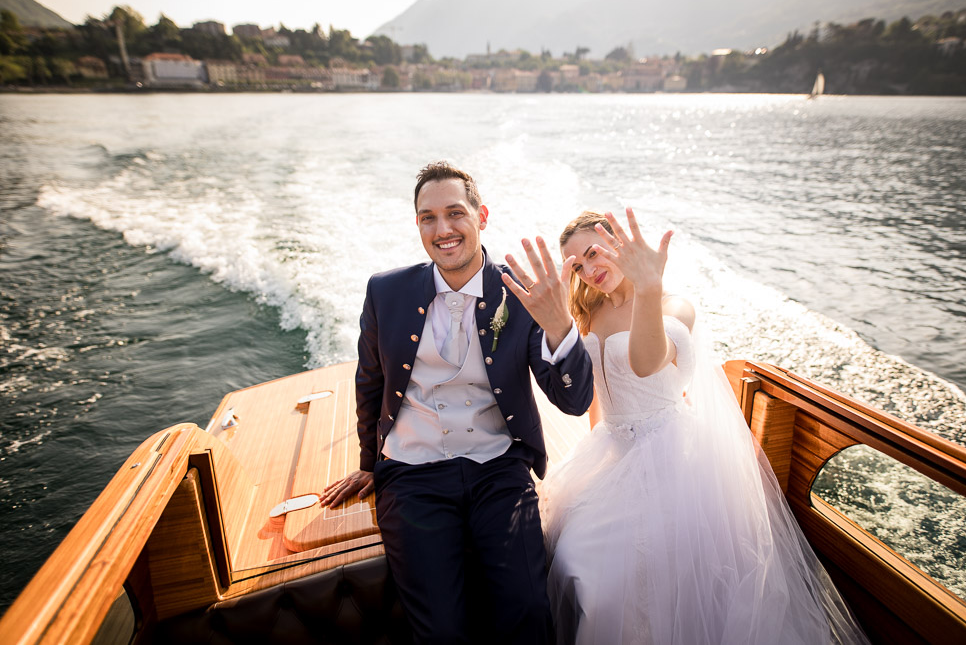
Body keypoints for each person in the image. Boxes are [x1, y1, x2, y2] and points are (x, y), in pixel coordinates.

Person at [537, 209, 870, 644]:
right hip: (612, 452)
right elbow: (596, 396)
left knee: (608, 584)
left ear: (620, 243)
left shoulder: (674, 305)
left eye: (594, 253)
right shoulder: (590, 311)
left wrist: (648, 288)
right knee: (568, 557)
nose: (589, 270)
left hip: (669, 460)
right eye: (578, 265)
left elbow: (645, 363)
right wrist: (592, 462)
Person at [319, 162, 594, 644]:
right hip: (412, 473)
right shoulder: (385, 291)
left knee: (529, 610)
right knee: (442, 630)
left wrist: (560, 326)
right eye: (428, 218)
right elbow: (370, 382)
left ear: (481, 216)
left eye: (455, 213)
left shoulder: (521, 292)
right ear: (418, 225)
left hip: (499, 469)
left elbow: (574, 402)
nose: (442, 229)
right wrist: (368, 463)